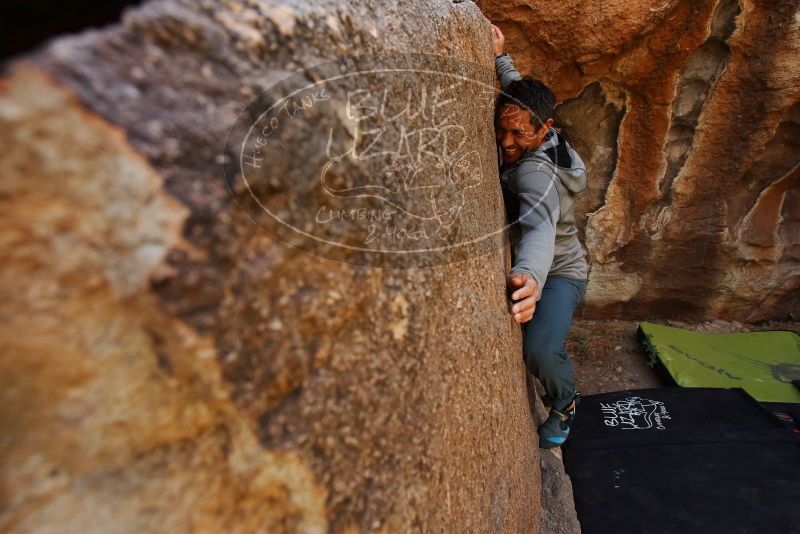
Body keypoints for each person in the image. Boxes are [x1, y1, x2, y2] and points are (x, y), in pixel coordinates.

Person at [491, 24, 590, 448]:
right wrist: (501, 59)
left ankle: (564, 402)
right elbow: (518, 94)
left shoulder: (534, 173)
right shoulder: (532, 120)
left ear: (544, 129)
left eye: (518, 134)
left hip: (562, 270)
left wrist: (530, 276)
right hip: (545, 261)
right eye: (502, 130)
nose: (506, 141)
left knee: (540, 349)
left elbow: (540, 225)